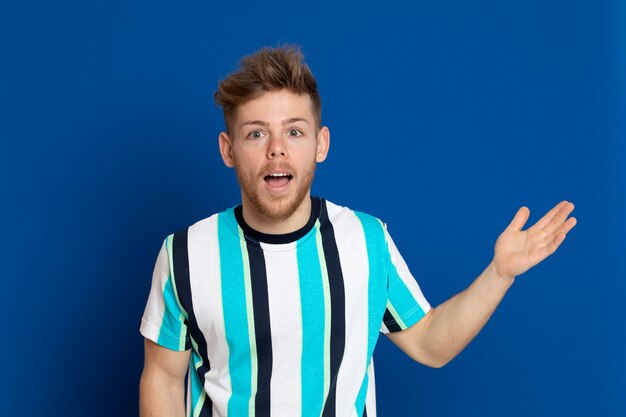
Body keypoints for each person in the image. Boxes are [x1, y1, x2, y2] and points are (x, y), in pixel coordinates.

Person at [138, 45, 577, 417]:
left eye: (294, 131)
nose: (276, 150)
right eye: (256, 134)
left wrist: (499, 273)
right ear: (228, 149)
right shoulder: (184, 255)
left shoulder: (366, 242)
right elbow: (162, 378)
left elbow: (430, 344)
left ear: (320, 144)